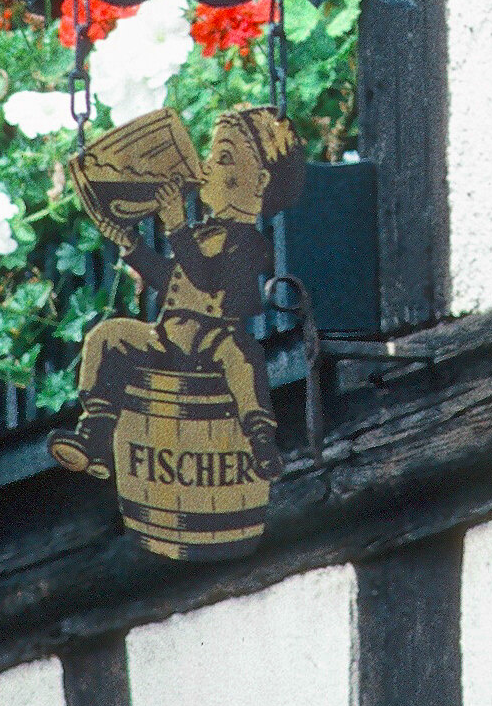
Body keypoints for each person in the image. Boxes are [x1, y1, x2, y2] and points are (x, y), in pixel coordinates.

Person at [52, 103, 305, 485]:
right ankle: (95, 435)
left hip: (216, 338)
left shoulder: (248, 243)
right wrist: (131, 245)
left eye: (222, 158)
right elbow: (170, 278)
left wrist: (177, 228)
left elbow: (207, 279)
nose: (205, 168)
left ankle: (260, 440)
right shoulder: (199, 234)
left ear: (259, 182)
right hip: (167, 336)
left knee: (243, 359)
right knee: (107, 336)